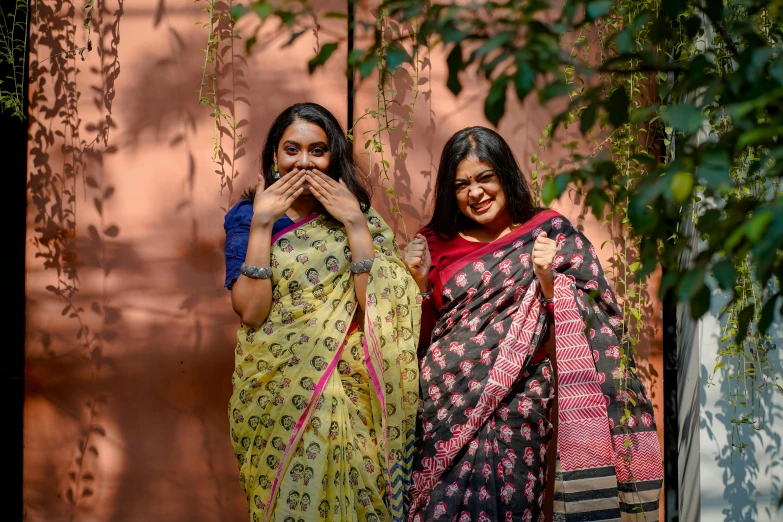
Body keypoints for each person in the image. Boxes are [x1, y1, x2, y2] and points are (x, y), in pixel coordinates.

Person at [402, 127, 663, 522]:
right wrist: (419, 284)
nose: (476, 193)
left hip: (521, 404)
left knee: (515, 507)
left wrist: (547, 280)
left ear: (506, 175)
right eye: (462, 184)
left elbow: (597, 319)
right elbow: (418, 339)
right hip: (445, 403)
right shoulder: (434, 241)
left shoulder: (548, 232)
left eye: (485, 177)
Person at [224, 102, 421, 522]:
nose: (303, 162)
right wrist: (262, 223)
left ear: (334, 158)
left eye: (317, 150)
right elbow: (251, 313)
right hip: (276, 390)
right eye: (291, 149)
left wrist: (353, 224)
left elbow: (381, 309)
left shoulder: (357, 216)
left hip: (350, 393)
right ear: (274, 158)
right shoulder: (248, 217)